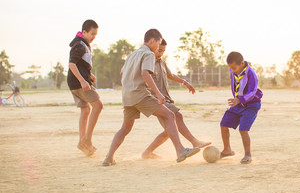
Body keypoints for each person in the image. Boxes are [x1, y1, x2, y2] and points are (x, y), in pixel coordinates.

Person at [102, 29, 200, 166]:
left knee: (125, 129)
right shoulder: (148, 54)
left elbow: (122, 72)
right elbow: (145, 73)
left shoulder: (132, 55)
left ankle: (108, 158)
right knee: (170, 115)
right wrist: (158, 93)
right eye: (158, 44)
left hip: (127, 97)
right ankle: (180, 150)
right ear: (152, 41)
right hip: (140, 95)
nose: (158, 47)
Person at [142, 39, 211, 159]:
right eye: (159, 50)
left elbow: (170, 75)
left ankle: (147, 152)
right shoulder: (148, 61)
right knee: (177, 116)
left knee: (169, 131)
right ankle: (194, 142)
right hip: (156, 100)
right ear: (154, 46)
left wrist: (184, 82)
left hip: (166, 99)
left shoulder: (161, 62)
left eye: (163, 50)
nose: (161, 53)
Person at [67, 19, 103, 156]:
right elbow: (72, 64)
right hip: (78, 82)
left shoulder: (84, 44)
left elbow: (81, 64)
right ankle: (87, 139)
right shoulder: (79, 45)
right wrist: (83, 81)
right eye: (92, 34)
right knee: (98, 105)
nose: (94, 37)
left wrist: (90, 75)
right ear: (84, 32)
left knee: (86, 109)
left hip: (75, 82)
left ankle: (83, 141)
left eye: (96, 34)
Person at [220, 51, 263, 163]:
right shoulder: (233, 72)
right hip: (238, 103)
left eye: (234, 67)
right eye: (230, 68)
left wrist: (239, 100)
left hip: (251, 105)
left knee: (243, 129)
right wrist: (237, 100)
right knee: (223, 124)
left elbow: (253, 91)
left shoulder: (251, 74)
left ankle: (248, 155)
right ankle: (227, 149)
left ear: (242, 63)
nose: (232, 70)